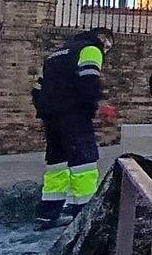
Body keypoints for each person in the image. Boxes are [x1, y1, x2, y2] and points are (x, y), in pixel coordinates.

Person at [34, 27, 116, 228]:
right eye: (107, 47)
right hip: (74, 114)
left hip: (51, 115)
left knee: (56, 164)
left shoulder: (55, 55)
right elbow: (89, 80)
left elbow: (37, 89)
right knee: (84, 163)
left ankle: (48, 213)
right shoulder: (90, 49)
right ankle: (85, 213)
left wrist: (46, 110)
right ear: (102, 39)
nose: (105, 51)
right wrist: (96, 105)